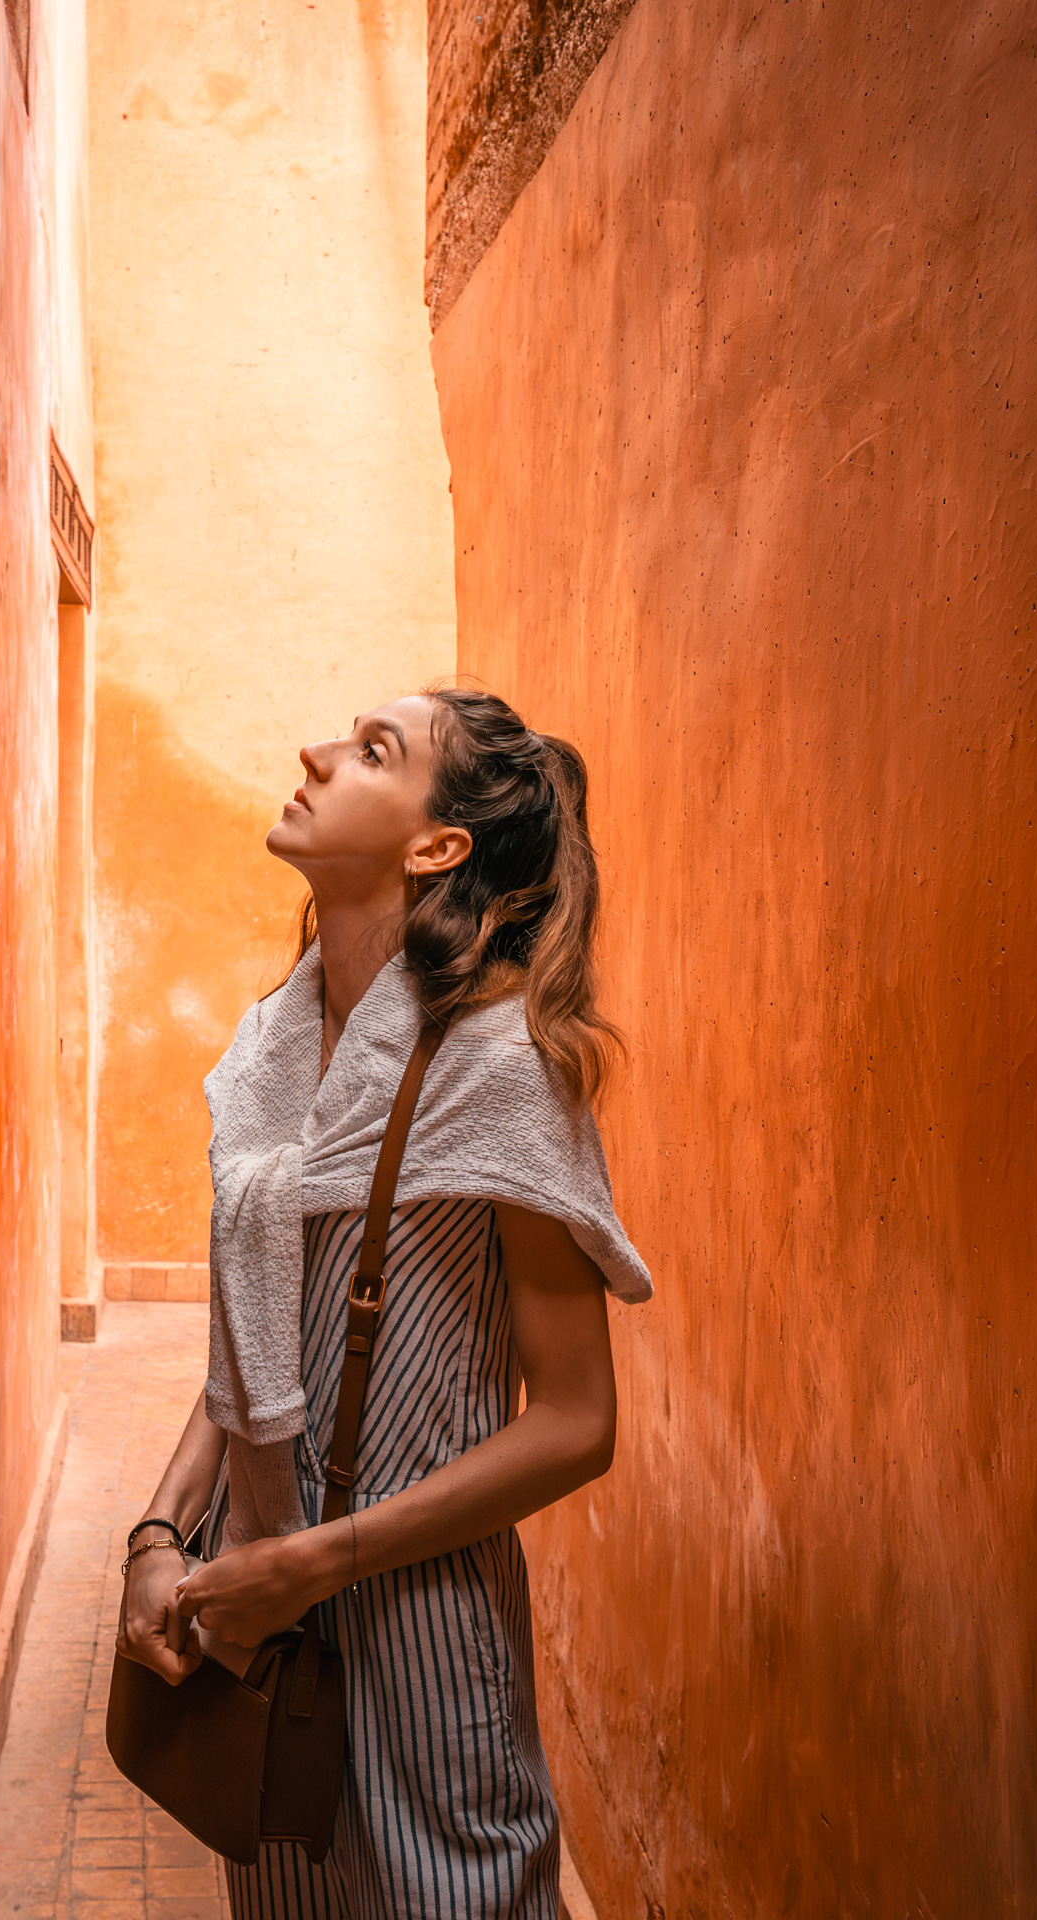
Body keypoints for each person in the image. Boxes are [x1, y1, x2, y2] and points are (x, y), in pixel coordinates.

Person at [117, 686, 651, 1919]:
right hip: (263, 1619)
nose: (314, 749)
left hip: (423, 1642)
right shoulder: (275, 1047)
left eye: (371, 751)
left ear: (437, 846)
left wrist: (315, 1558)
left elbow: (579, 1421)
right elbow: (253, 1338)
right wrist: (162, 1531)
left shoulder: (505, 1065)